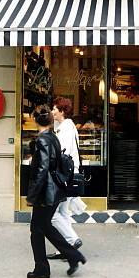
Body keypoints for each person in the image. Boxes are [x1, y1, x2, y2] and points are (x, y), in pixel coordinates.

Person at [26, 105, 86, 278]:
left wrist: (32, 196)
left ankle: (44, 268)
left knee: (38, 229)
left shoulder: (43, 140)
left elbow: (42, 170)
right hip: (55, 190)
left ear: (35, 120)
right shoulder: (53, 137)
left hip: (46, 192)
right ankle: (70, 257)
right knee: (42, 228)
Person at [47, 97, 83, 260]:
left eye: (55, 109)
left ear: (62, 111)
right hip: (66, 174)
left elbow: (62, 153)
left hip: (65, 176)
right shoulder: (63, 126)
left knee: (54, 214)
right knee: (63, 211)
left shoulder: (67, 128)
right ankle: (65, 248)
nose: (52, 111)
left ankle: (72, 240)